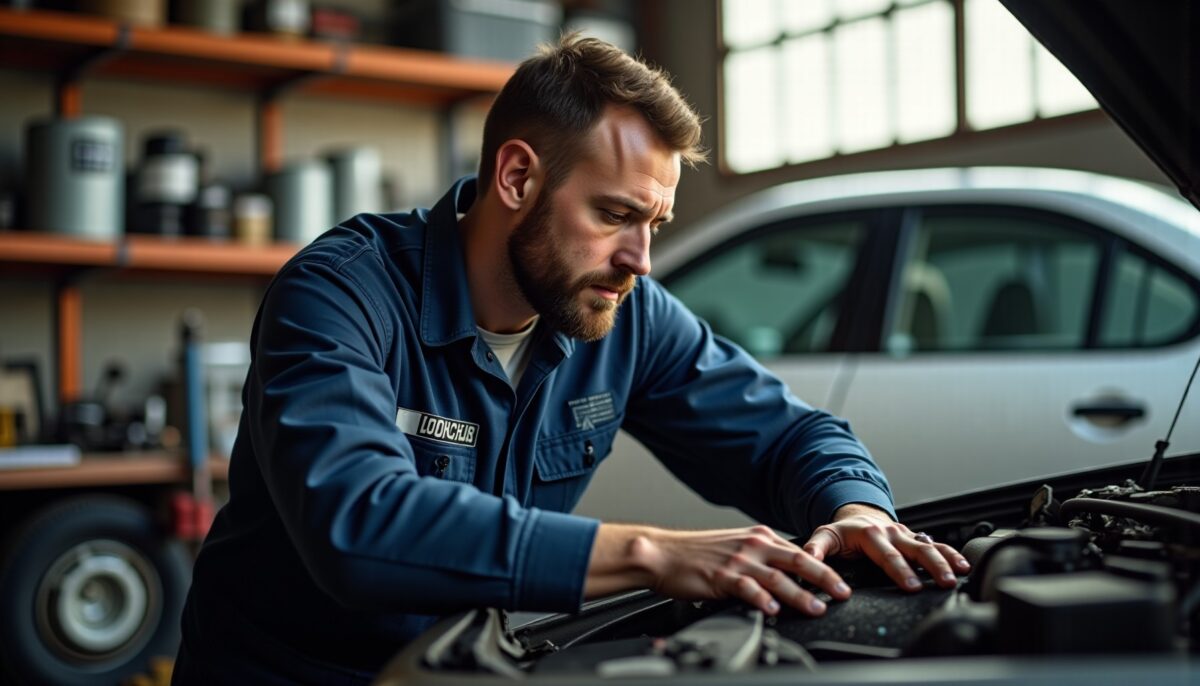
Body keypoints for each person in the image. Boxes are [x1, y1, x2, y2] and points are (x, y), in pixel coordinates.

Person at [172, 34, 970, 684]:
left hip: (457, 670)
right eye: (615, 214)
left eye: (654, 223)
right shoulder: (340, 292)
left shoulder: (626, 315)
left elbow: (791, 436)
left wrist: (857, 511)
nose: (641, 260)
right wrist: (654, 554)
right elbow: (358, 521)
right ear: (517, 176)